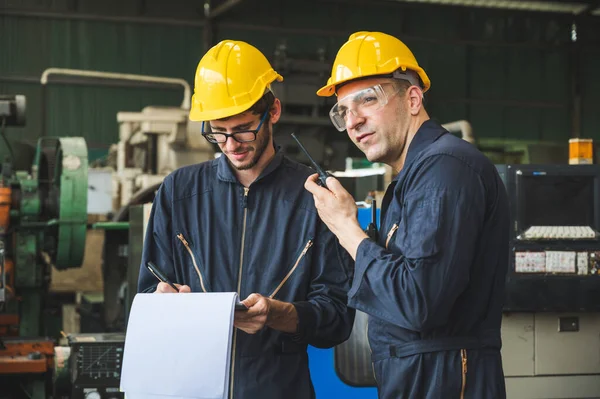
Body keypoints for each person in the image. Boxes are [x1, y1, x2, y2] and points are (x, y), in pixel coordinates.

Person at [138, 40, 355, 399]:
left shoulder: (314, 197)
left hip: (279, 388)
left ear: (273, 112)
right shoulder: (179, 192)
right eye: (217, 131)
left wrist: (279, 315)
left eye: (242, 128)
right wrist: (161, 299)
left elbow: (337, 319)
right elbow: (148, 290)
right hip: (193, 387)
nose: (230, 143)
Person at [304, 31, 510, 399]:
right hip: (421, 374)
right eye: (343, 111)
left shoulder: (445, 169)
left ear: (413, 98)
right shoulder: (415, 175)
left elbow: (419, 303)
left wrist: (346, 227)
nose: (353, 121)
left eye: (367, 100)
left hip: (444, 379)